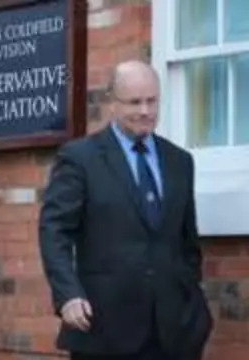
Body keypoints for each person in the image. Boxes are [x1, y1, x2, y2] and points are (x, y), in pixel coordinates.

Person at [38, 60, 212, 360]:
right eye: (134, 102)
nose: (145, 111)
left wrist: (192, 303)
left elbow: (187, 242)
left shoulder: (180, 161)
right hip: (105, 331)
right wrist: (68, 294)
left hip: (175, 334)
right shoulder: (80, 158)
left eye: (151, 101)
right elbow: (54, 232)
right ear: (112, 104)